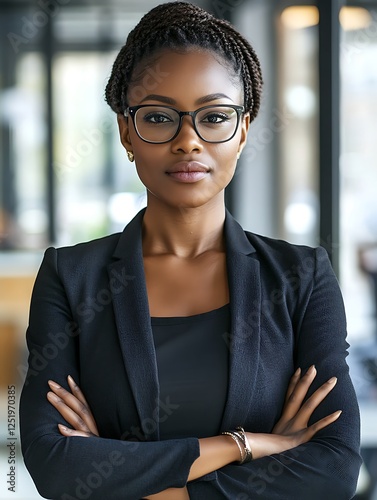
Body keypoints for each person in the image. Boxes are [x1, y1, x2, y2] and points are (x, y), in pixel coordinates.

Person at [19, 2, 361, 499]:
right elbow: (54, 466)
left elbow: (333, 468)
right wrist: (242, 445)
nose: (188, 141)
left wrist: (145, 487)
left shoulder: (301, 277)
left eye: (215, 117)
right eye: (158, 117)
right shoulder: (71, 277)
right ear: (125, 132)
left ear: (242, 131)